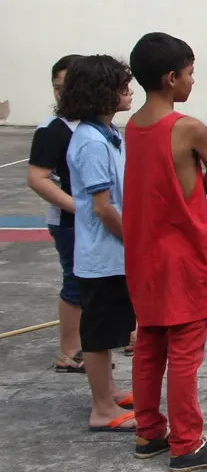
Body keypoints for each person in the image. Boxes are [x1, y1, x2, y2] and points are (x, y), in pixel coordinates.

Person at [124, 33, 207, 472]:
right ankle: (187, 443)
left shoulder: (133, 127)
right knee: (184, 352)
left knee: (149, 343)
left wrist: (198, 182)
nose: (193, 81)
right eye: (190, 73)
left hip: (145, 255)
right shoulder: (187, 127)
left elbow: (166, 184)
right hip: (183, 255)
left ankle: (148, 431)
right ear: (171, 77)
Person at [60, 55, 137, 432]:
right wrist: (134, 242)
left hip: (113, 254)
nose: (130, 91)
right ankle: (101, 408)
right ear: (102, 92)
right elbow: (103, 207)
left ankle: (108, 391)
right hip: (103, 255)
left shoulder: (108, 134)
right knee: (98, 333)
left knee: (110, 330)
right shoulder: (91, 142)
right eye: (123, 86)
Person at [27, 55, 84, 373]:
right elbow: (37, 178)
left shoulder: (94, 125)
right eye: (56, 86)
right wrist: (81, 209)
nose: (61, 93)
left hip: (96, 219)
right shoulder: (53, 129)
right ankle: (69, 351)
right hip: (70, 223)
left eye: (68, 86)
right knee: (76, 283)